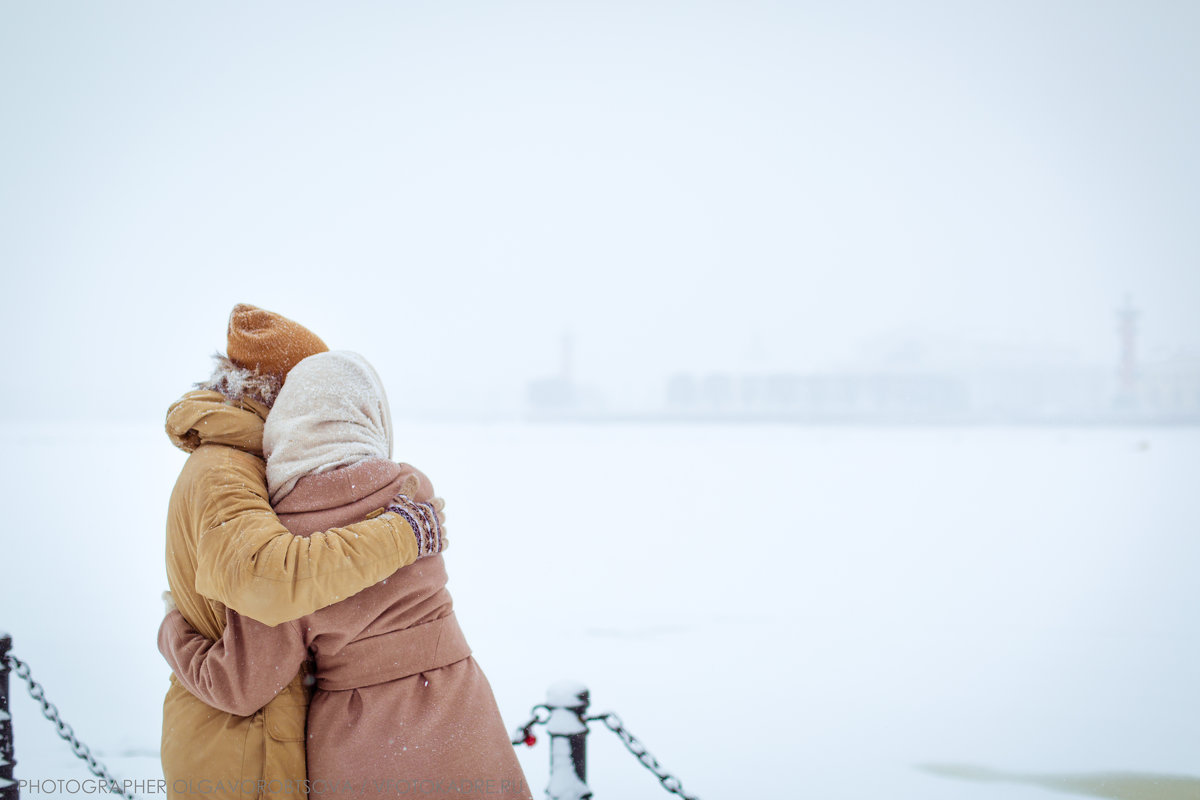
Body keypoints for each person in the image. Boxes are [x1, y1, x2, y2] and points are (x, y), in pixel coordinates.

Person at [159, 350, 530, 799]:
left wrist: (173, 630)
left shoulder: (284, 541)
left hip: (358, 736)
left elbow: (240, 686)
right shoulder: (413, 491)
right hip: (458, 709)